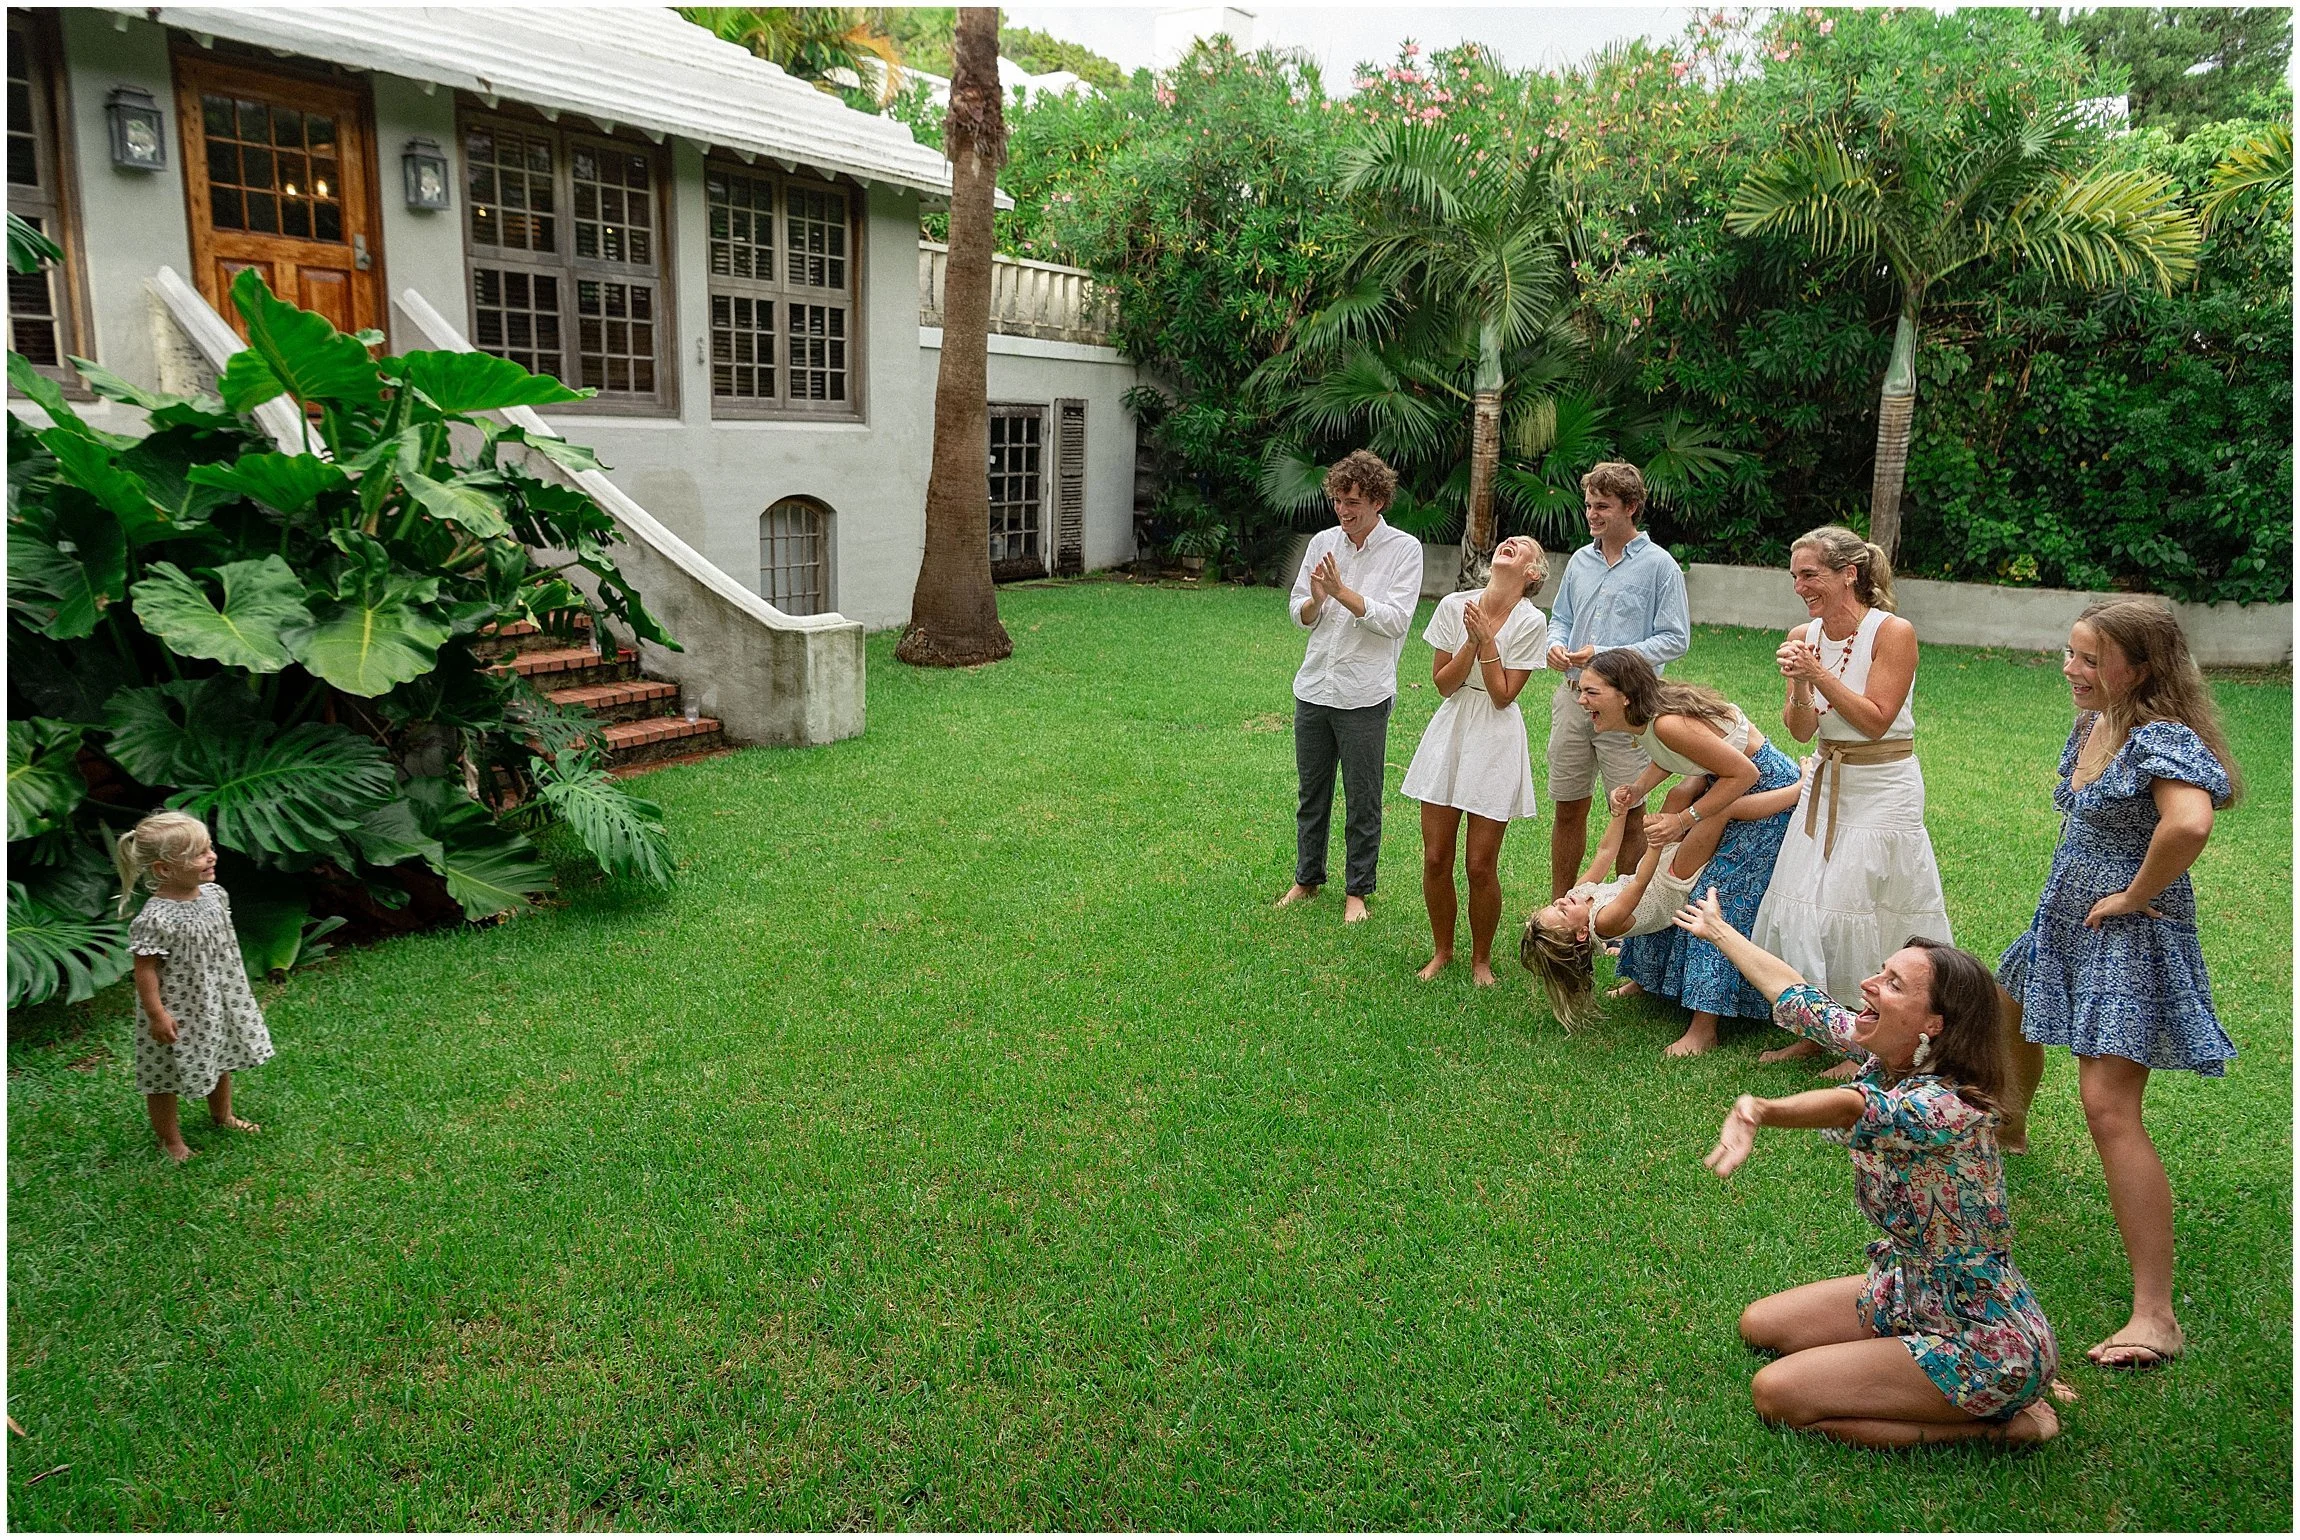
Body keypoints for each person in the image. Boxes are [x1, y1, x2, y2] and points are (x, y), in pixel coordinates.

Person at [1677, 888, 2067, 1449]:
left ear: (1933, 1023)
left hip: (1978, 1334)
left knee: (1777, 1395)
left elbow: (1854, 1107)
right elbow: (1796, 996)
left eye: (1892, 984)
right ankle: (1957, 1380)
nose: (1869, 984)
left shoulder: (1951, 1107)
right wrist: (1719, 932)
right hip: (1909, 1289)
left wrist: (1762, 1110)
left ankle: (2005, 1425)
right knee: (1760, 1326)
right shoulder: (1883, 1056)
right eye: (1881, 972)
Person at [1997, 597, 2241, 1371]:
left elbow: (2190, 824)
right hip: (2070, 915)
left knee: (2108, 1107)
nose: (2071, 670)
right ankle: (2008, 1122)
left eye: (2089, 659)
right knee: (2013, 994)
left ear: (2139, 668)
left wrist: (2135, 895)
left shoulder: (2161, 739)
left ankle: (2155, 1316)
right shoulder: (2095, 724)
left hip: (2125, 933)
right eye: (2069, 654)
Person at [1750, 527, 1953, 1082]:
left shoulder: (1894, 632)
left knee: (1863, 903)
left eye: (1809, 575)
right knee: (1808, 900)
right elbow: (1798, 730)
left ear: (1849, 574)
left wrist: (1817, 672)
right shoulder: (1804, 632)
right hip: (1825, 777)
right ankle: (1817, 1032)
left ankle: (1868, 1040)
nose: (1799, 587)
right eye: (1794, 576)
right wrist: (1798, 686)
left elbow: (1876, 717)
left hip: (1882, 783)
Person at [1578, 649, 1800, 1056]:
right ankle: (1647, 980)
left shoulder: (1666, 722)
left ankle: (1704, 1027)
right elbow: (1675, 757)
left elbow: (1746, 773)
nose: (1581, 700)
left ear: (1624, 694)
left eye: (1591, 692)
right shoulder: (1648, 721)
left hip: (1763, 793)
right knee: (1656, 886)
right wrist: (1638, 790)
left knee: (1715, 896)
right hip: (1722, 787)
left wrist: (1684, 821)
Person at [1522, 765, 1808, 1028]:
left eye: (1553, 904)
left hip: (1653, 865)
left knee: (1677, 794)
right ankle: (1798, 790)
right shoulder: (1604, 923)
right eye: (1560, 912)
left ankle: (1714, 764)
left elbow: (1605, 853)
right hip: (1672, 881)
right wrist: (1657, 844)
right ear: (1583, 934)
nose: (1560, 900)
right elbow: (1639, 886)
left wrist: (1619, 814)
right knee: (1722, 810)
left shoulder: (1577, 895)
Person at [1279, 450, 1426, 924]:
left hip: (1364, 693)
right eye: (1339, 501)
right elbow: (1299, 613)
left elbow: (1397, 620)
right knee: (1311, 793)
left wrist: (1343, 593)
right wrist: (1317, 600)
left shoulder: (1405, 549)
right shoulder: (1324, 541)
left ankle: (1357, 891)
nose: (1344, 510)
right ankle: (1307, 878)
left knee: (1363, 798)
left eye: (1354, 502)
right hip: (1314, 687)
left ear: (1378, 500)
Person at [1401, 534, 1549, 984]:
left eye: (1523, 545)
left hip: (1496, 735)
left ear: (1533, 574)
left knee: (1480, 865)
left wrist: (1488, 641)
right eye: (1509, 540)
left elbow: (1504, 695)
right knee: (1434, 857)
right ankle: (1442, 950)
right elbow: (1444, 684)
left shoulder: (1531, 621)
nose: (1511, 543)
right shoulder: (1454, 605)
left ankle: (1480, 959)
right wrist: (1471, 641)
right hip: (1452, 729)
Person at [1543, 461, 1691, 901]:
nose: (1592, 514)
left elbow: (1675, 638)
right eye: (1589, 505)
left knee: (1628, 810)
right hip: (1572, 697)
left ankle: (1624, 912)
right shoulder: (1580, 561)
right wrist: (1555, 644)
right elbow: (1562, 618)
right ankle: (1560, 909)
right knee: (1568, 808)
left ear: (1631, 507)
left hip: (1627, 708)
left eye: (1602, 506)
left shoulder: (1659, 566)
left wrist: (1604, 652)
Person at [113, 811, 273, 1162]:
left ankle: (223, 1115)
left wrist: (234, 995)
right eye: (199, 853)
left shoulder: (215, 896)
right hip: (176, 1010)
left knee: (220, 1055)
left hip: (215, 999)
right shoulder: (156, 918)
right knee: (164, 1076)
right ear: (164, 869)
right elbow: (145, 970)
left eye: (209, 847)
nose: (211, 856)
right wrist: (157, 1014)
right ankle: (170, 1141)